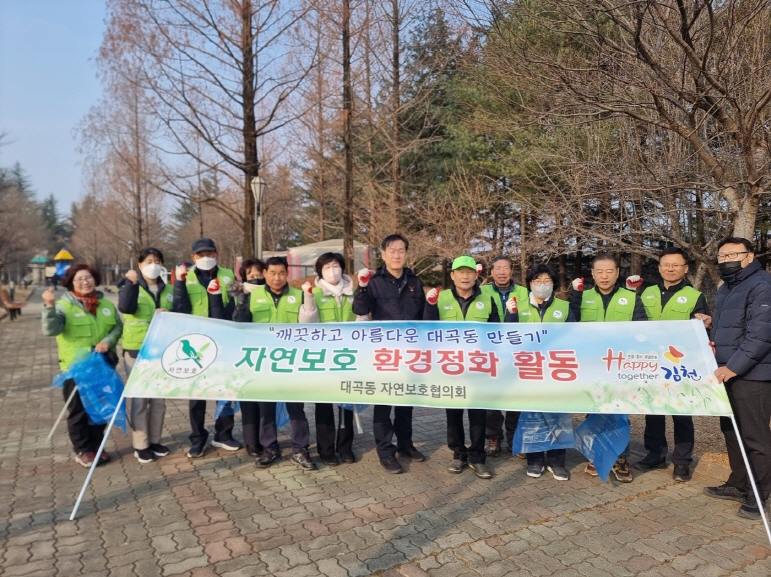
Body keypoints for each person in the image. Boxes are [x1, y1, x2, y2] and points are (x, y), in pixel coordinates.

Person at [424, 256, 511, 479]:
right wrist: (430, 306)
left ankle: (477, 457)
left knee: (478, 415)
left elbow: (495, 333)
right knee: (453, 414)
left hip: (477, 368)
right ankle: (458, 454)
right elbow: (428, 330)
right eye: (460, 272)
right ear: (452, 275)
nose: (465, 276)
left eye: (469, 272)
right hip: (449, 367)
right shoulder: (440, 298)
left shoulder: (487, 299)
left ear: (476, 275)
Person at [703, 237, 771, 520]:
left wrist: (735, 366)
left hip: (752, 375)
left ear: (749, 256)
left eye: (732, 254)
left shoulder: (762, 285)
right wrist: (710, 325)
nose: (725, 260)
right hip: (725, 372)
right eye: (721, 255)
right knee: (731, 431)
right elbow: (731, 328)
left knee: (755, 436)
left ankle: (758, 494)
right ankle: (738, 483)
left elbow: (762, 333)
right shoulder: (726, 288)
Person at [633, 248, 711, 482]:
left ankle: (682, 461)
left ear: (685, 269)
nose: (670, 269)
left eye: (676, 265)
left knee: (681, 412)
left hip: (680, 364)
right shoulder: (646, 293)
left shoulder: (695, 296)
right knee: (653, 410)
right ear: (659, 268)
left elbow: (702, 330)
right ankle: (655, 453)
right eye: (666, 264)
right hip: (650, 362)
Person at [233, 256, 317, 471]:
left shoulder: (298, 295)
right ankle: (270, 448)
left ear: (287, 273)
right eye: (272, 273)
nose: (277, 278)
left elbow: (310, 325)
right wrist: (241, 308)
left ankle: (300, 449)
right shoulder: (252, 296)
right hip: (263, 362)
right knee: (266, 408)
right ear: (265, 274)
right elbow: (240, 328)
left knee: (296, 408)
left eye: (281, 273)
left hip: (291, 361)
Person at [570, 253, 647, 482]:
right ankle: (597, 455)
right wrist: (574, 296)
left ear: (617, 273)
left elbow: (642, 330)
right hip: (591, 366)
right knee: (594, 411)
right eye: (600, 271)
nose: (604, 276)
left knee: (619, 413)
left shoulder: (631, 298)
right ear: (593, 274)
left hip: (620, 366)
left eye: (609, 271)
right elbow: (569, 326)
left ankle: (621, 457)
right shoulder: (582, 297)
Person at [353, 233, 426, 474]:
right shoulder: (374, 282)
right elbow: (360, 309)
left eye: (401, 250)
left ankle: (405, 445)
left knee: (406, 403)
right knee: (384, 403)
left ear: (406, 254)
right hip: (384, 354)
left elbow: (423, 316)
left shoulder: (415, 281)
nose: (397, 255)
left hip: (409, 352)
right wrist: (362, 287)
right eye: (392, 251)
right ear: (383, 255)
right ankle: (385, 451)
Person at [41, 264, 123, 467]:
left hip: (102, 367)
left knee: (100, 409)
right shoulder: (63, 306)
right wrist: (49, 306)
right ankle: (83, 450)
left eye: (88, 277)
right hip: (75, 369)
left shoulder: (105, 304)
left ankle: (96, 446)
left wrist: (108, 341)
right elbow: (50, 330)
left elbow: (117, 326)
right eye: (79, 279)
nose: (85, 282)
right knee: (79, 411)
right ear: (71, 283)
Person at [174, 238, 240, 458]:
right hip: (196, 343)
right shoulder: (186, 277)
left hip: (223, 340)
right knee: (197, 394)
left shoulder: (228, 274)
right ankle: (197, 438)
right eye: (200, 255)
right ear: (193, 257)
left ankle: (223, 434)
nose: (205, 258)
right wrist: (179, 283)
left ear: (216, 253)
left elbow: (234, 304)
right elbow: (180, 309)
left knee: (225, 390)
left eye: (209, 253)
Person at [299, 252, 367, 466]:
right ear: (320, 271)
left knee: (347, 404)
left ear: (343, 268)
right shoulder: (314, 292)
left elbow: (363, 319)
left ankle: (345, 447)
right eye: (327, 267)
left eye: (336, 265)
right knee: (324, 406)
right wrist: (308, 299)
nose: (332, 270)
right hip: (324, 358)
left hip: (349, 356)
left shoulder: (353, 292)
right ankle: (326, 450)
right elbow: (307, 326)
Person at [517, 264, 576, 481]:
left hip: (556, 370)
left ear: (553, 284)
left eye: (546, 281)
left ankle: (556, 461)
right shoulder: (518, 308)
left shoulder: (564, 307)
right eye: (537, 281)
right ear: (529, 284)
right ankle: (534, 460)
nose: (542, 285)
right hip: (529, 370)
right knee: (532, 416)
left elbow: (573, 335)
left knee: (558, 416)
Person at [118, 247, 173, 464]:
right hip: (137, 350)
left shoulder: (168, 289)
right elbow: (125, 307)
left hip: (162, 351)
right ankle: (141, 444)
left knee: (159, 400)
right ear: (140, 265)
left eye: (157, 261)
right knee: (140, 399)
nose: (153, 265)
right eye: (148, 261)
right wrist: (131, 284)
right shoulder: (132, 286)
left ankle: (155, 440)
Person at [480, 255, 528, 458]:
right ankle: (493, 436)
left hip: (516, 353)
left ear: (511, 271)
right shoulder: (481, 292)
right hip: (490, 353)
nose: (502, 272)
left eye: (506, 268)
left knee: (515, 397)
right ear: (491, 272)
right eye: (498, 268)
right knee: (492, 398)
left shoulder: (524, 293)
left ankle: (514, 437)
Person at [233, 257, 266, 458]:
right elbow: (237, 321)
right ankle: (252, 442)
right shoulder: (237, 294)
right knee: (248, 401)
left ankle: (266, 439)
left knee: (266, 401)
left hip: (268, 354)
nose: (255, 277)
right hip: (245, 354)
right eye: (250, 274)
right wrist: (242, 300)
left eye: (259, 273)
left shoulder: (271, 293)